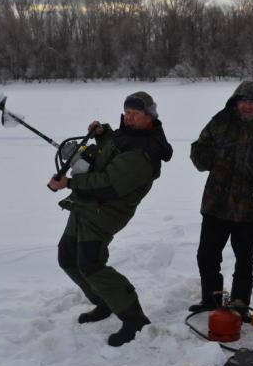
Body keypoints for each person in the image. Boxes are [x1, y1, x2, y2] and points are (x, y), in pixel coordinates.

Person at [48, 91, 172, 347]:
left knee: (91, 264)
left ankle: (134, 318)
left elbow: (109, 184)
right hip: (86, 205)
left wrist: (69, 182)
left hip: (105, 211)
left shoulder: (145, 152)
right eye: (127, 113)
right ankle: (104, 302)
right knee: (67, 256)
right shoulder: (128, 134)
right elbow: (113, 147)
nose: (129, 118)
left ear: (150, 117)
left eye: (135, 114)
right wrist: (103, 134)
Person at [188, 81, 253, 320]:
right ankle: (211, 299)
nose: (246, 106)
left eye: (251, 102)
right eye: (242, 101)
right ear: (235, 103)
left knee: (244, 259)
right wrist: (215, 158)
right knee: (207, 255)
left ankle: (239, 304)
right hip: (216, 204)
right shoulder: (220, 123)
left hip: (249, 209)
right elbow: (197, 151)